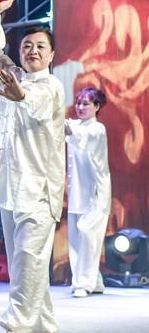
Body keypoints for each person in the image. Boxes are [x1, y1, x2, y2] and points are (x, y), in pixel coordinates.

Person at [0, 0, 65, 333]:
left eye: (40, 46)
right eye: (27, 45)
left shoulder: (51, 87)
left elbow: (37, 101)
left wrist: (20, 94)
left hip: (39, 190)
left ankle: (15, 329)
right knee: (23, 262)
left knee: (28, 258)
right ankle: (43, 327)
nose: (32, 50)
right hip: (9, 187)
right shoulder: (8, 76)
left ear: (51, 55)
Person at [65, 87, 111, 298]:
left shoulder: (97, 128)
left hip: (95, 193)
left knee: (87, 233)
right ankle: (94, 281)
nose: (80, 107)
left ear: (97, 107)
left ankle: (84, 283)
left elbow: (82, 136)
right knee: (76, 236)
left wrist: (67, 128)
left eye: (86, 104)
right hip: (76, 193)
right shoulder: (76, 125)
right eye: (79, 103)